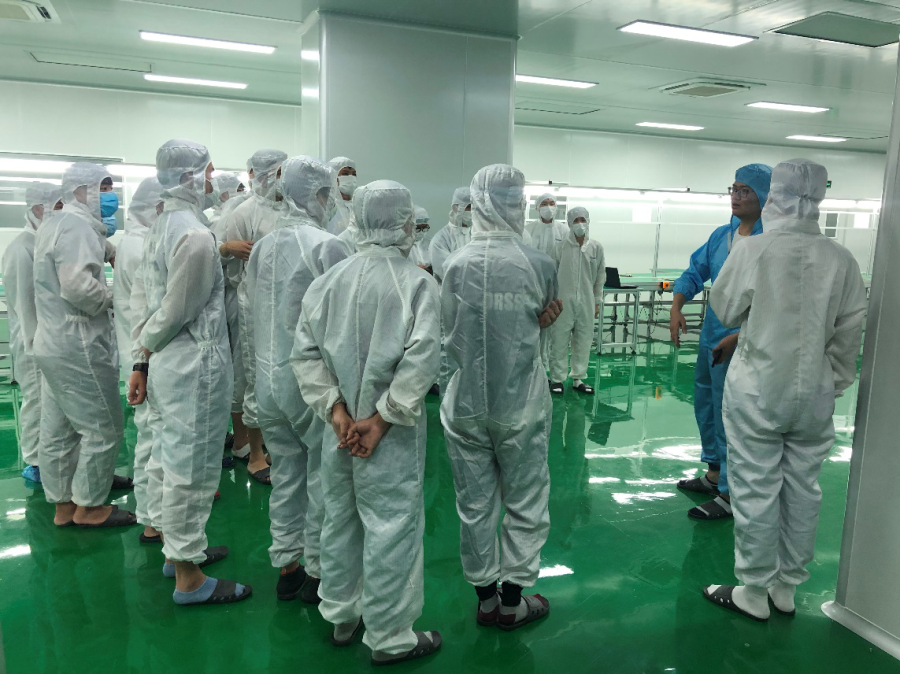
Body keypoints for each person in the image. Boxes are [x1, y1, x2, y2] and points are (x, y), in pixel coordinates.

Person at [702, 159, 866, 621]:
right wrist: (830, 383)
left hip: (758, 390)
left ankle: (753, 590)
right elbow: (849, 334)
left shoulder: (755, 250)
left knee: (756, 487)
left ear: (773, 195)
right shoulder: (841, 259)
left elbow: (726, 308)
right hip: (814, 393)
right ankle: (787, 586)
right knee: (803, 489)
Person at [292, 179, 442, 665]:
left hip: (338, 433)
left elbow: (305, 356)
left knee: (340, 518)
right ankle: (392, 636)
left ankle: (342, 617)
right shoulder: (417, 284)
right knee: (391, 526)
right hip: (389, 439)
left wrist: (336, 411)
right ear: (404, 223)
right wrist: (381, 420)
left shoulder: (327, 283)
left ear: (356, 220)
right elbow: (421, 362)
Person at [128, 138, 250, 606]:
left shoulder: (164, 225)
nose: (213, 179)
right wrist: (148, 346)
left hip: (167, 365)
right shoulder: (195, 237)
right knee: (191, 467)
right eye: (209, 171)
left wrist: (142, 358)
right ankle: (188, 575)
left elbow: (146, 301)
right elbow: (176, 311)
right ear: (188, 177)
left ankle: (177, 549)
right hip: (192, 365)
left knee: (168, 459)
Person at [441, 164, 563, 631]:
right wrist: (538, 322)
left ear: (477, 202)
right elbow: (539, 319)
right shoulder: (538, 263)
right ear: (518, 204)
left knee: (474, 505)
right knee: (526, 499)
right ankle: (513, 602)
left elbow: (449, 333)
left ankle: (486, 600)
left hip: (467, 403)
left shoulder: (456, 264)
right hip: (521, 403)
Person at [245, 155, 348, 603]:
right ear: (317, 194)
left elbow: (251, 312)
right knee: (324, 475)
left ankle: (287, 565)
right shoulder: (326, 246)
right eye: (327, 193)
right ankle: (319, 572)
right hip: (310, 382)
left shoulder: (264, 247)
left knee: (286, 473)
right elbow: (343, 323)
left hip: (268, 381)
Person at [33, 163, 135, 528]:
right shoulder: (76, 227)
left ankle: (63, 505)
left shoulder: (57, 222)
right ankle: (89, 507)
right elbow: (78, 288)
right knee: (104, 428)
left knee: (59, 431)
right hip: (78, 342)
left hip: (53, 342)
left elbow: (89, 251)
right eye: (104, 187)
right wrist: (115, 296)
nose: (110, 196)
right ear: (81, 190)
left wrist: (110, 250)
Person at [671, 163, 772, 521]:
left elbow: (776, 304)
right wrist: (677, 305)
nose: (736, 197)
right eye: (734, 189)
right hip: (713, 335)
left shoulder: (770, 242)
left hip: (748, 341)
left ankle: (731, 492)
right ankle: (715, 473)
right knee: (706, 403)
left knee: (733, 412)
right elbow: (694, 272)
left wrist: (741, 336)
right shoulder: (722, 236)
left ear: (765, 196)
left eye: (746, 191)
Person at [221, 148, 288, 483]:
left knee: (279, 375)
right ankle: (255, 453)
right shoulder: (243, 212)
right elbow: (223, 260)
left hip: (284, 303)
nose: (280, 180)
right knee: (252, 375)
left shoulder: (289, 210)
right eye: (276, 173)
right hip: (250, 303)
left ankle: (272, 444)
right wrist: (227, 249)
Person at [113, 176, 165, 543]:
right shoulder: (141, 246)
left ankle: (151, 518)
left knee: (149, 438)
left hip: (139, 355)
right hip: (144, 357)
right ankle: (154, 521)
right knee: (154, 440)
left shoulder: (133, 242)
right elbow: (151, 311)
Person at [5, 182, 61, 483]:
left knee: (54, 407)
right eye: (58, 206)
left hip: (52, 342)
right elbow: (25, 304)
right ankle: (37, 463)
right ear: (39, 208)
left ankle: (56, 461)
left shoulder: (44, 242)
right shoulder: (22, 248)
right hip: (34, 345)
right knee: (37, 403)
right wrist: (36, 346)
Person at [549, 206, 605, 396]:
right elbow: (551, 275)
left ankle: (578, 378)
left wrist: (597, 301)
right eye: (576, 220)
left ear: (588, 222)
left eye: (583, 220)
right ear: (569, 223)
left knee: (583, 340)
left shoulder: (596, 247)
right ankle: (557, 379)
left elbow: (600, 277)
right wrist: (551, 301)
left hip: (586, 302)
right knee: (559, 340)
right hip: (562, 302)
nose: (580, 224)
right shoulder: (560, 247)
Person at [429, 187, 472, 283]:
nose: (473, 211)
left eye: (476, 207)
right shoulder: (440, 239)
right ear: (455, 208)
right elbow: (447, 272)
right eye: (469, 206)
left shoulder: (476, 235)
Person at [326, 157, 357, 236]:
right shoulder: (328, 207)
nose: (351, 177)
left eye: (354, 174)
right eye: (345, 173)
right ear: (333, 177)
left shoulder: (358, 207)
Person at [409, 206, 432, 273]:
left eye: (424, 228)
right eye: (418, 228)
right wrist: (414, 269)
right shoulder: (401, 246)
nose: (421, 232)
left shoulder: (431, 243)